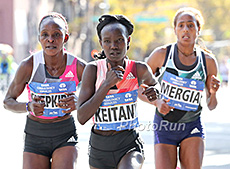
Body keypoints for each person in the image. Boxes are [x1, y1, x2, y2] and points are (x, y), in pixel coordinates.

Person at [3, 12, 86, 169]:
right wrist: (29, 107)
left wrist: (79, 103)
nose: (50, 39)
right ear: (39, 38)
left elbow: (100, 97)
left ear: (66, 38)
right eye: (45, 35)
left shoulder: (79, 66)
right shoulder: (28, 65)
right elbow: (7, 101)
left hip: (65, 132)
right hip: (35, 134)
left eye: (57, 34)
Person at [76, 14, 159, 169]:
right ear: (101, 43)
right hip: (100, 148)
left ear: (128, 41)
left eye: (119, 40)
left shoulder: (138, 68)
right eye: (107, 41)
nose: (113, 46)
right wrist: (106, 85)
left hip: (129, 144)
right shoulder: (93, 70)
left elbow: (155, 84)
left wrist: (155, 91)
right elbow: (81, 117)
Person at [146, 7, 220, 169]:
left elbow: (211, 105)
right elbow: (139, 87)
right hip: (165, 125)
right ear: (175, 30)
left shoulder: (207, 61)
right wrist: (157, 102)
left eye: (190, 25)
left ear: (198, 29)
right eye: (181, 25)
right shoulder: (161, 55)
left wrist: (213, 94)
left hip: (191, 125)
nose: (185, 29)